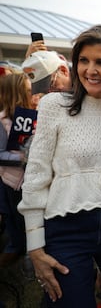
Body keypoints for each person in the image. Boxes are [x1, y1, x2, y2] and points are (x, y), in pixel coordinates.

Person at [17, 25, 101, 307]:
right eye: (84, 61)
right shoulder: (54, 105)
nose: (90, 70)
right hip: (66, 229)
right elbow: (36, 175)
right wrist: (35, 245)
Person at [0, 73, 33, 268]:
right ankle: (15, 248)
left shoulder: (37, 115)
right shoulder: (2, 120)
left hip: (32, 180)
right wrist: (24, 158)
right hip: (11, 182)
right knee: (14, 219)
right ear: (17, 93)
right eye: (29, 91)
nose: (33, 94)